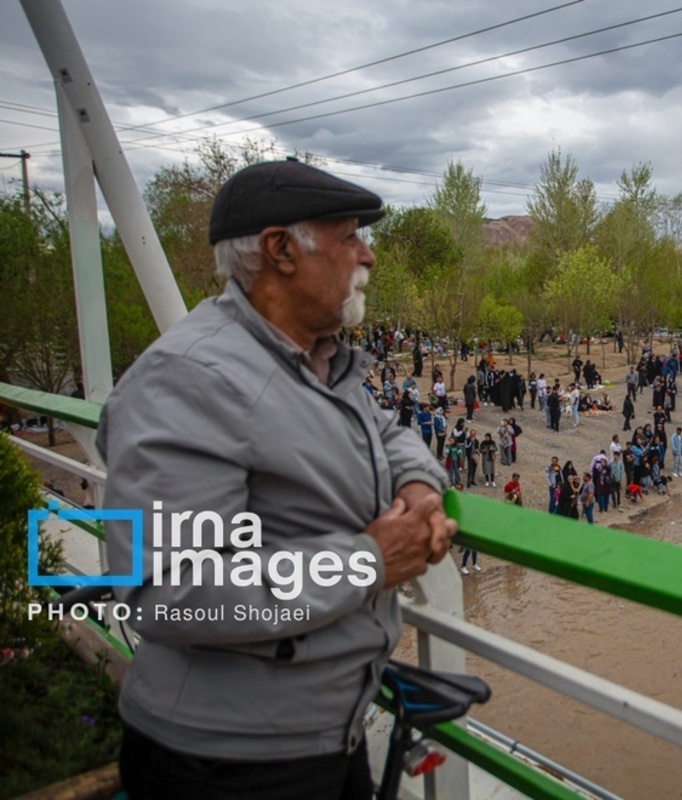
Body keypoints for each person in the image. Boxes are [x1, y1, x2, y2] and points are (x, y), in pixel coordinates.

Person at [96, 160, 454, 798]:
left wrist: (420, 488)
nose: (367, 256)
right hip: (228, 765)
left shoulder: (316, 359)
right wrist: (368, 559)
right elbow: (166, 590)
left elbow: (385, 432)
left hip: (322, 734)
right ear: (280, 250)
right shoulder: (191, 378)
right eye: (348, 237)